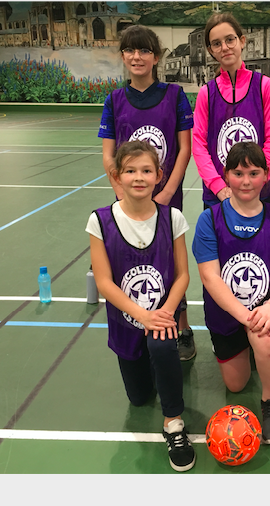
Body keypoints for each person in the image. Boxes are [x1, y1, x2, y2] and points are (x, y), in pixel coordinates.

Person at [86, 140, 195, 472]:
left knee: (162, 347)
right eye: (130, 170)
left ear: (159, 176)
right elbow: (104, 283)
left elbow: (182, 276)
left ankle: (173, 423)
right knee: (139, 397)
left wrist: (166, 314)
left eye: (146, 170)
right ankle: (154, 367)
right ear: (117, 176)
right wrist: (142, 315)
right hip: (127, 323)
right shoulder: (99, 221)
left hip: (161, 316)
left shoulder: (172, 218)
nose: (139, 177)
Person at [98, 25, 196, 361]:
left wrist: (166, 192)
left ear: (156, 57)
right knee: (134, 267)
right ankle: (135, 326)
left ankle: (181, 328)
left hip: (166, 199)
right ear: (123, 56)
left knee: (172, 267)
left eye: (144, 51)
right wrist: (122, 193)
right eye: (130, 51)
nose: (136, 57)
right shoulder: (114, 100)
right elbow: (109, 156)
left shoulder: (174, 95)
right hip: (129, 203)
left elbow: (184, 150)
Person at [193, 141, 270, 444]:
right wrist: (244, 316)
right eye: (238, 173)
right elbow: (210, 277)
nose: (246, 181)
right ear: (226, 176)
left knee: (267, 342)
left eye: (254, 172)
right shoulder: (209, 219)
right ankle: (242, 347)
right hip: (227, 315)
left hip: (263, 310)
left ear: (266, 175)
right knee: (236, 386)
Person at [192, 12, 270, 210]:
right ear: (211, 50)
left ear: (242, 41)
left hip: (258, 194)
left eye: (230, 40)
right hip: (218, 197)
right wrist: (218, 187)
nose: (224, 47)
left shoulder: (264, 86)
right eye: (216, 43)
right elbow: (198, 144)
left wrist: (259, 180)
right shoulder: (207, 93)